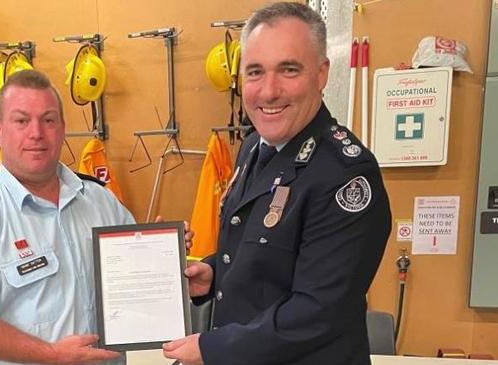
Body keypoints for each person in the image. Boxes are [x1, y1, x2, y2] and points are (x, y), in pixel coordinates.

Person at [163, 3, 391, 365]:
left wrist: (212, 348)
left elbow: (317, 311)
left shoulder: (345, 174)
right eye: (255, 72)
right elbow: (262, 253)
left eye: (288, 69)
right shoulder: (255, 146)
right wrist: (213, 272)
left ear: (321, 74)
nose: (268, 91)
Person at [0, 70, 134, 364]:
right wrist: (51, 355)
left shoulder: (100, 200)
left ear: (62, 128)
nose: (36, 133)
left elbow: (134, 274)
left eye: (48, 120)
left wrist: (167, 254)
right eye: (22, 121)